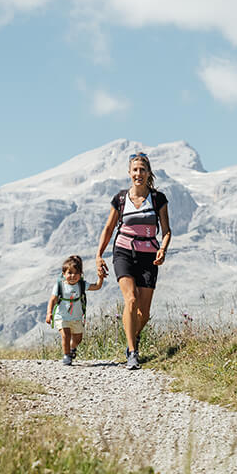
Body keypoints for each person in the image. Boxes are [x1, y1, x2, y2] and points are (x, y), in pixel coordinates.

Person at [95, 151, 171, 370]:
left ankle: (133, 335)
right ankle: (132, 352)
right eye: (135, 170)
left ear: (148, 173)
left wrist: (163, 249)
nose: (139, 173)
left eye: (142, 170)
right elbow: (109, 228)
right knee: (130, 300)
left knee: (143, 313)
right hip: (123, 252)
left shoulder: (158, 199)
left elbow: (166, 231)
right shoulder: (120, 199)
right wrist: (99, 255)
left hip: (149, 255)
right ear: (129, 173)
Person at [45, 255, 104, 365]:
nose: (73, 276)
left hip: (76, 317)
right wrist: (49, 313)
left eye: (76, 273)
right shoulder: (59, 286)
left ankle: (72, 348)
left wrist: (100, 278)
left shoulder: (81, 285)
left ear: (80, 274)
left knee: (78, 339)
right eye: (69, 273)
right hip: (62, 317)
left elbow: (96, 287)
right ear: (64, 274)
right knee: (66, 335)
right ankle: (67, 355)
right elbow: (52, 300)